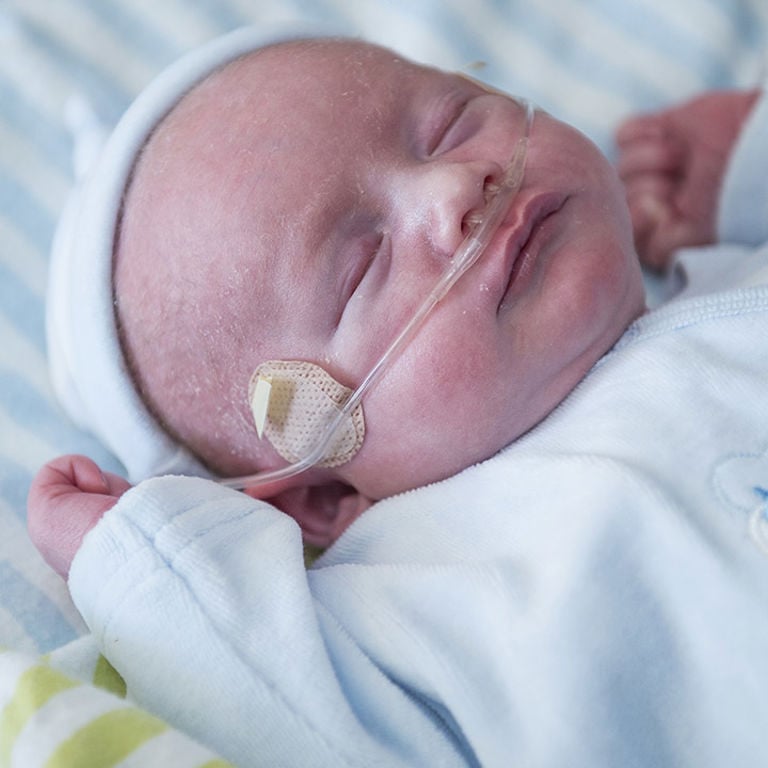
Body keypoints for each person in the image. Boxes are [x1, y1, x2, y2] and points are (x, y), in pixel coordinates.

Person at [28, 28, 768, 768]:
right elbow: (284, 712)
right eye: (361, 266)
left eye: (454, 124)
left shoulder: (736, 271)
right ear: (319, 497)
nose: (454, 189)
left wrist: (747, 170)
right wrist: (147, 573)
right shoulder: (413, 607)